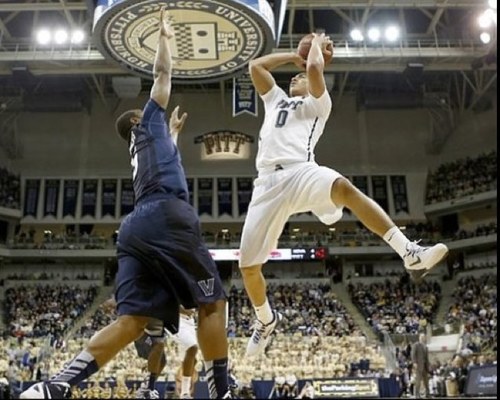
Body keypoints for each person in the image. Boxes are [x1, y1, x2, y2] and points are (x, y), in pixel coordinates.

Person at [20, 8, 230, 399]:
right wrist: (165, 40)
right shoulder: (147, 123)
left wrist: (173, 137)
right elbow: (163, 77)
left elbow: (167, 161)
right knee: (213, 304)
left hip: (137, 227)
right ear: (138, 122)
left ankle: (56, 385)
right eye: (147, 113)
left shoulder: (147, 145)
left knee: (132, 321)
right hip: (168, 216)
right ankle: (222, 392)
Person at [239, 32, 449, 357]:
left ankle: (409, 251)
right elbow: (256, 67)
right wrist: (293, 56)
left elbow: (312, 73)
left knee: (343, 187)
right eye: (294, 74)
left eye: (302, 74)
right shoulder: (277, 100)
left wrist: (316, 53)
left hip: (300, 171)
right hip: (266, 183)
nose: (296, 76)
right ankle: (266, 320)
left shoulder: (318, 103)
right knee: (248, 268)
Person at [411, 333, 430, 398]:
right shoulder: (416, 345)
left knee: (426, 381)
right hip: (418, 365)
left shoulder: (426, 346)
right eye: (421, 337)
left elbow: (427, 357)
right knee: (418, 381)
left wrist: (428, 365)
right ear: (419, 337)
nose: (422, 338)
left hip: (425, 366)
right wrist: (414, 362)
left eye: (424, 337)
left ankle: (428, 393)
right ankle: (417, 394)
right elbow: (413, 354)